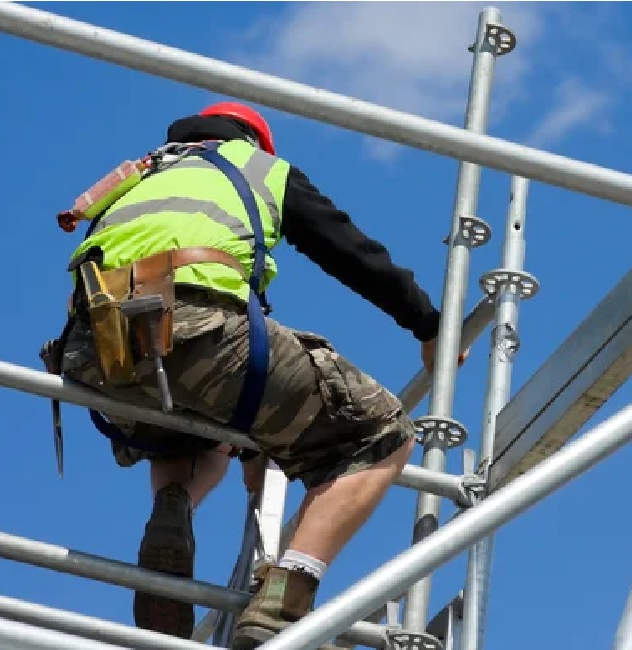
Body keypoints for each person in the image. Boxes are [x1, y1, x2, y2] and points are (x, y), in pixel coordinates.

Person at [53, 101, 463, 648]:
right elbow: (348, 250)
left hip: (96, 352)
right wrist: (428, 323)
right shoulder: (259, 168)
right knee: (379, 433)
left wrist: (254, 442)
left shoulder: (136, 176)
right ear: (255, 142)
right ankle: (282, 604)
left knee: (196, 422)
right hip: (194, 326)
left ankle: (173, 504)